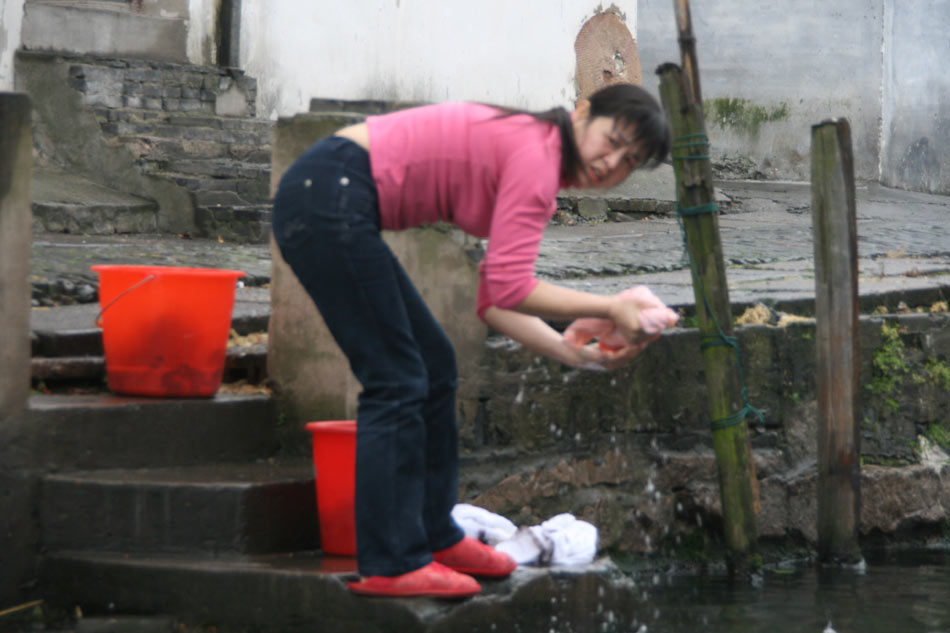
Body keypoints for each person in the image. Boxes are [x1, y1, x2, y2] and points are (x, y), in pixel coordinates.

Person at [271, 83, 673, 598]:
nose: (610, 162)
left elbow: (494, 302)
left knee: (434, 364)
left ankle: (436, 535)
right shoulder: (537, 153)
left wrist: (573, 353)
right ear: (582, 113)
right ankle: (392, 562)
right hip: (328, 193)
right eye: (612, 141)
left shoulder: (539, 158)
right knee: (397, 378)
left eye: (628, 161)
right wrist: (611, 306)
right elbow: (510, 289)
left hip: (329, 193)